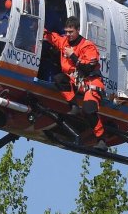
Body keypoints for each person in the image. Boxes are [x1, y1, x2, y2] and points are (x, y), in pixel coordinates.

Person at [43, 16, 107, 150]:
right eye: (66, 31)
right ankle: (74, 106)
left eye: (71, 32)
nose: (68, 35)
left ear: (78, 30)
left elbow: (88, 68)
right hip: (75, 82)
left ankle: (101, 139)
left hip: (91, 83)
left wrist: (73, 56)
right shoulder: (64, 41)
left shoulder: (88, 46)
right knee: (59, 78)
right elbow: (50, 36)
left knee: (88, 110)